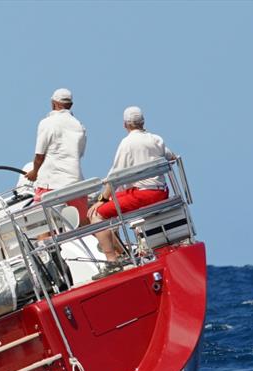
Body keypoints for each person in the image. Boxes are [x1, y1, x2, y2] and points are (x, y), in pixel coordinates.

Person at [88, 106, 175, 264]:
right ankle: (124, 251)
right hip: (161, 192)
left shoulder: (126, 143)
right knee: (114, 204)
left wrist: (102, 199)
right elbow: (172, 157)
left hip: (143, 195)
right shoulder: (156, 139)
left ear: (125, 125)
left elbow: (114, 177)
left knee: (97, 215)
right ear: (143, 122)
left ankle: (113, 260)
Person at [25, 88, 88, 226]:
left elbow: (39, 155)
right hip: (75, 182)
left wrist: (34, 172)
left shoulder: (47, 122)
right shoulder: (79, 126)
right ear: (70, 105)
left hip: (51, 183)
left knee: (41, 225)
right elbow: (79, 153)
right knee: (83, 225)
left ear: (54, 103)